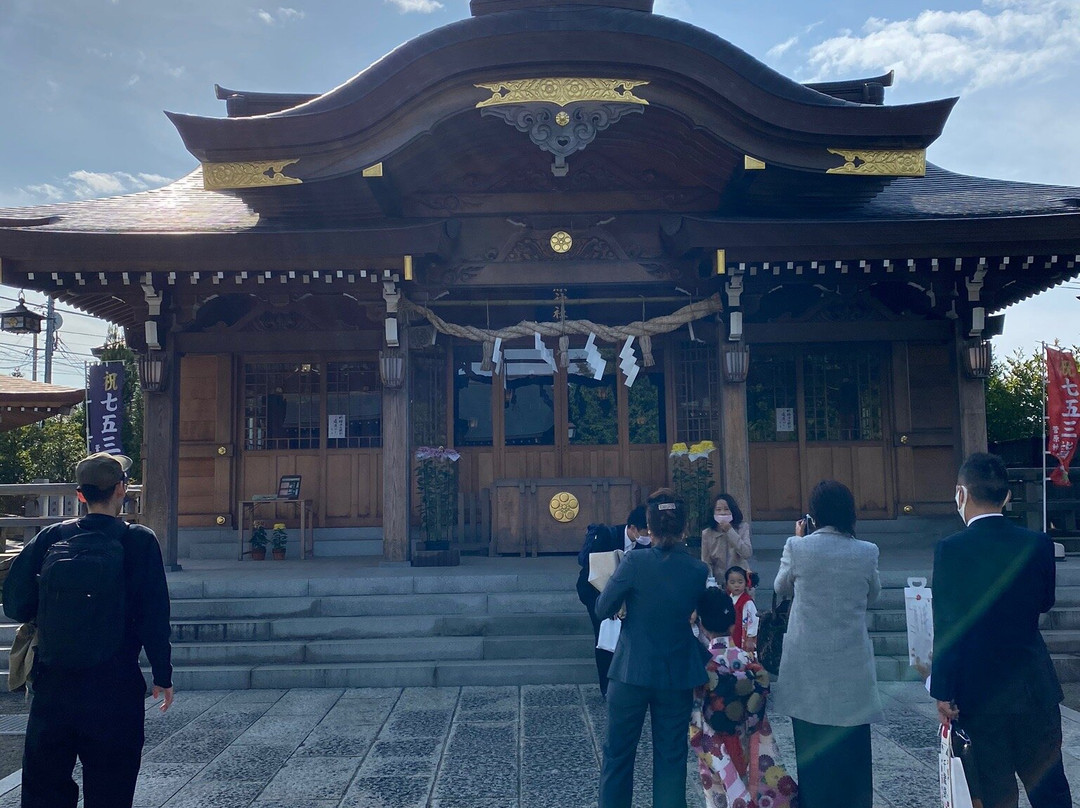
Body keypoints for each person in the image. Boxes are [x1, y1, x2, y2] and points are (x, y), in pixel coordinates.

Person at [3, 452, 174, 808]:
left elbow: (16, 603)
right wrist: (162, 673)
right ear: (121, 489)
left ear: (80, 495)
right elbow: (153, 614)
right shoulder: (139, 541)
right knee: (111, 788)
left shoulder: (51, 537)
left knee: (44, 790)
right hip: (114, 683)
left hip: (53, 683)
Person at [931, 452, 1071, 808]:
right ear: (1007, 497)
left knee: (994, 791)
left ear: (961, 494)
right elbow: (1045, 602)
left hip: (979, 692)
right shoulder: (1038, 543)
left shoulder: (950, 550)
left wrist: (943, 691)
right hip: (1033, 686)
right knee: (1050, 787)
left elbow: (947, 624)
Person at [596, 488, 709, 808]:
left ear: (649, 529)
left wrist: (624, 602)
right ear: (684, 528)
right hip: (675, 671)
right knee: (671, 758)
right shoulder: (697, 570)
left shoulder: (634, 561)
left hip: (631, 668)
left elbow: (603, 607)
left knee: (618, 755)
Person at [772, 479, 881, 808]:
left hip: (807, 667)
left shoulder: (798, 546)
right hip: (851, 667)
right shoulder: (866, 551)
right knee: (853, 757)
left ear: (814, 514)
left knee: (812, 754)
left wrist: (800, 539)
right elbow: (873, 594)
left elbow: (780, 586)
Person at [689, 588, 798, 808]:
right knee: (751, 778)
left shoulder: (702, 665)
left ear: (701, 625)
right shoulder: (747, 660)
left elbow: (695, 714)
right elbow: (759, 699)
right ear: (733, 623)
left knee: (718, 790)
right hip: (745, 734)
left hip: (714, 739)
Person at [575, 505, 651, 696]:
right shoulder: (607, 536)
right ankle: (607, 688)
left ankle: (629, 682)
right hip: (597, 592)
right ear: (632, 528)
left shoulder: (647, 545)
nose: (647, 537)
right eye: (644, 532)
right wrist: (611, 603)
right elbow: (596, 571)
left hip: (628, 597)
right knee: (604, 638)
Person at [701, 493, 752, 583]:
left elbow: (746, 553)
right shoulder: (707, 533)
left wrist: (730, 531)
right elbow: (706, 562)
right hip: (719, 583)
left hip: (740, 583)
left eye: (726, 509)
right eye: (718, 510)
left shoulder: (743, 528)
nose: (722, 513)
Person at [725, 565, 759, 653]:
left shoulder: (747, 601)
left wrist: (750, 637)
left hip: (742, 634)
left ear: (745, 583)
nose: (736, 585)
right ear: (727, 584)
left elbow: (754, 619)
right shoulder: (727, 599)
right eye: (732, 582)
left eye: (740, 582)